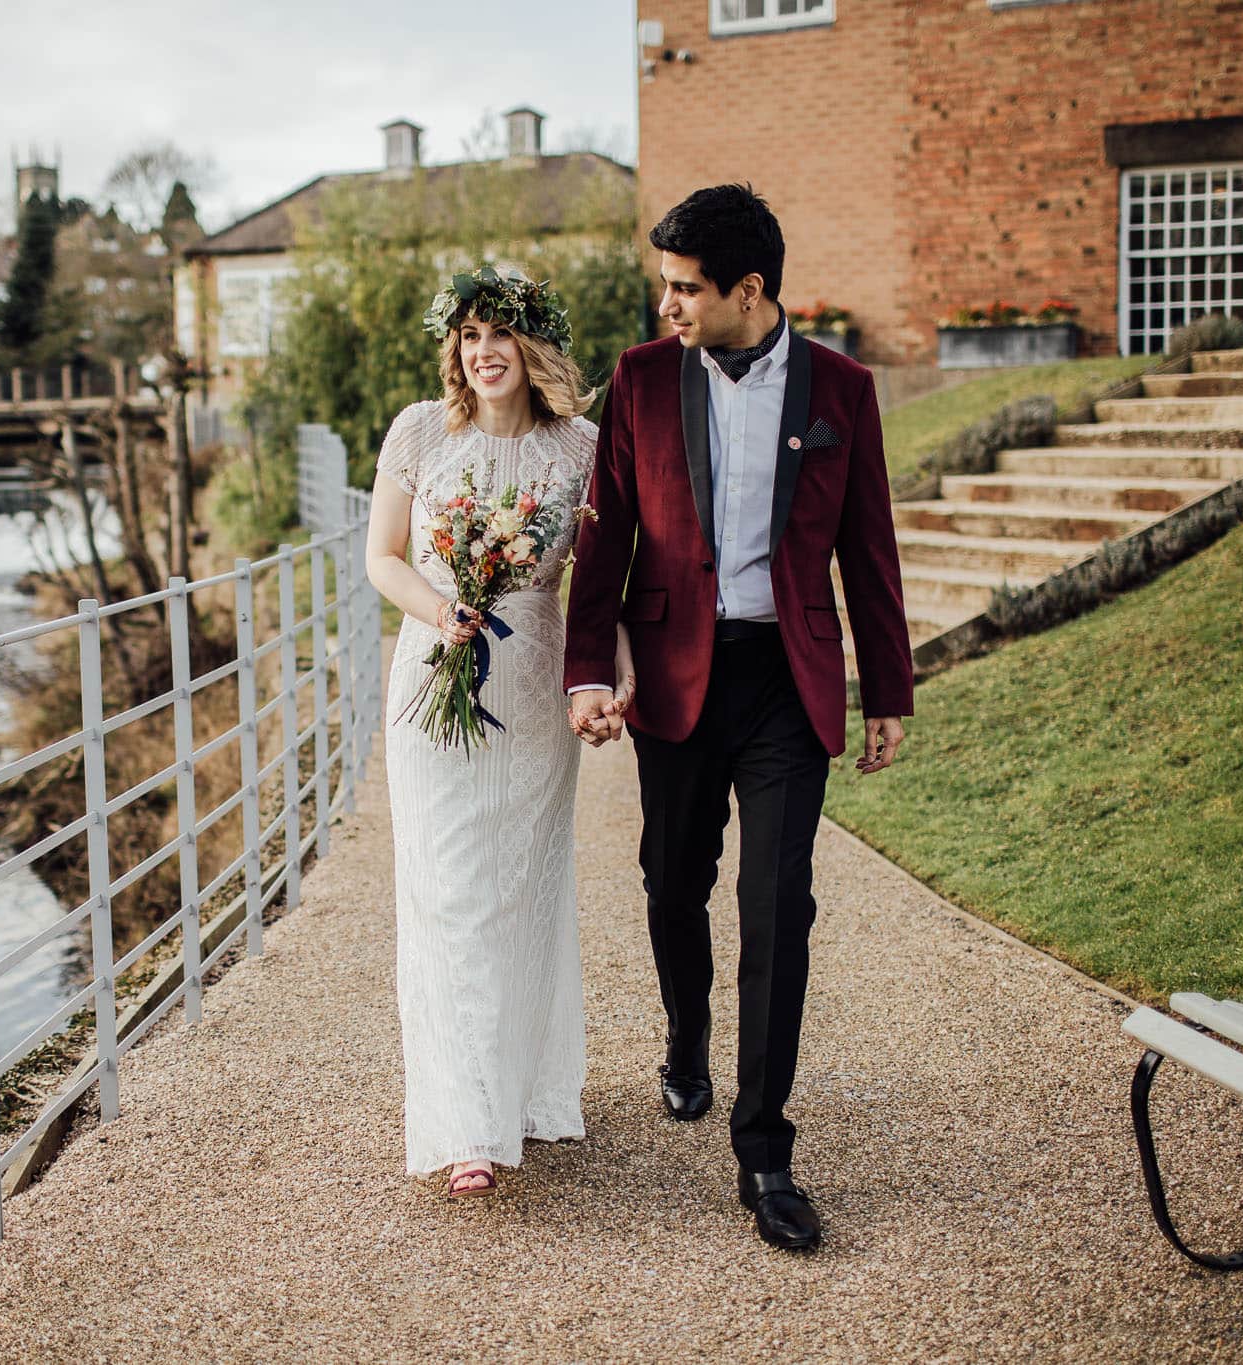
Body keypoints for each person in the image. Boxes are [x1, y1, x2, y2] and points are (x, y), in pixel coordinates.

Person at [564, 185, 913, 1251]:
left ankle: (764, 1152)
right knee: (671, 881)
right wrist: (586, 669)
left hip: (784, 680)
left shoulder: (840, 389)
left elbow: (869, 546)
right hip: (671, 674)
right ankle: (684, 1038)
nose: (664, 304)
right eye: (661, 284)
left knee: (776, 906)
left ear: (746, 291)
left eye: (682, 289)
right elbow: (603, 536)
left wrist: (886, 691)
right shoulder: (638, 378)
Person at [365, 267, 634, 1198]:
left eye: (501, 334)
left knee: (522, 881)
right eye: (470, 335)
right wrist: (443, 610)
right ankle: (462, 1122)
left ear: (535, 346)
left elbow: (610, 577)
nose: (484, 351)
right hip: (433, 670)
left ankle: (519, 1088)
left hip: (531, 680)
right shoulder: (417, 433)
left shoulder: (585, 448)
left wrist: (611, 675)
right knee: (447, 889)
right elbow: (382, 558)